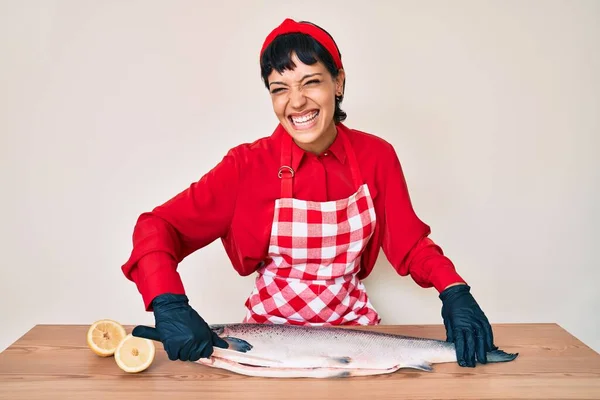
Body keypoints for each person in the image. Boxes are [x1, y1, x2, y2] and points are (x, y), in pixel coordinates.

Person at [122, 18, 497, 368]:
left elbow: (409, 243)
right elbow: (157, 226)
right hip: (266, 345)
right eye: (280, 89)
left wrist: (453, 290)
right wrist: (168, 302)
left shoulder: (376, 156)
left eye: (311, 81)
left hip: (356, 337)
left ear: (339, 82)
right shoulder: (246, 166)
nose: (296, 102)